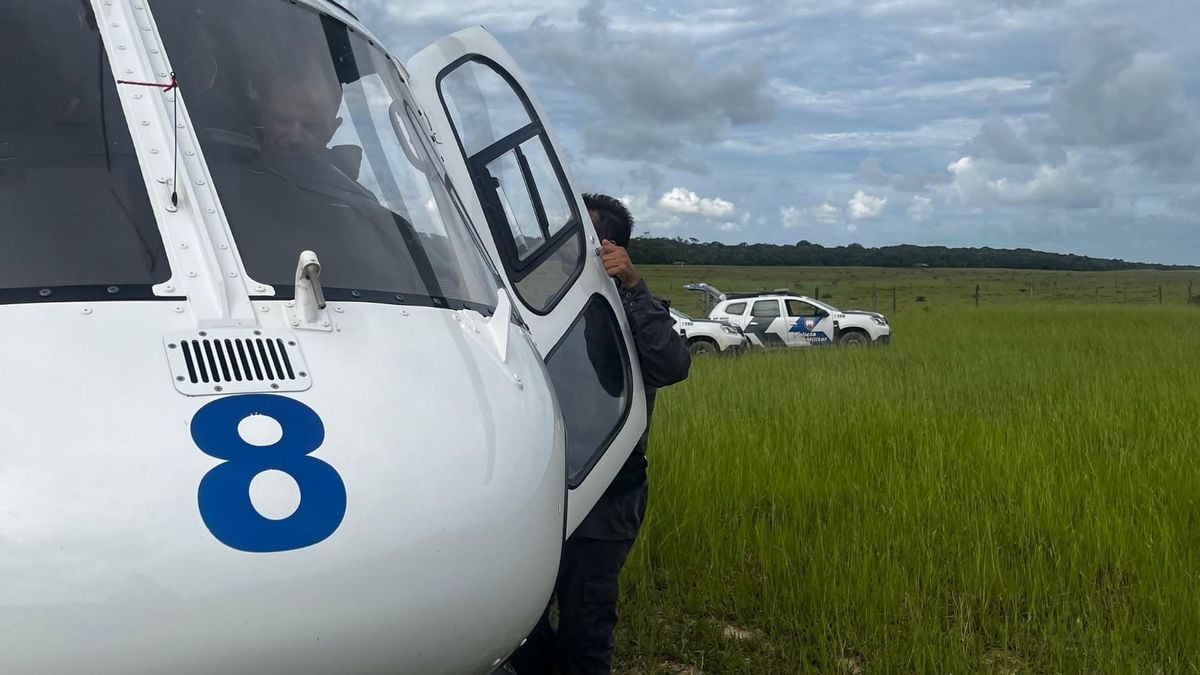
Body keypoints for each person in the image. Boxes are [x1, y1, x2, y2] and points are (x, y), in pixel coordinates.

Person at [511, 194, 691, 675]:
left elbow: (672, 366)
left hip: (605, 497)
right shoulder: (531, 306)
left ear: (607, 246)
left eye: (578, 236)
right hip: (537, 497)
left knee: (586, 629)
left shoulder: (631, 309)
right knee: (518, 625)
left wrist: (633, 286)